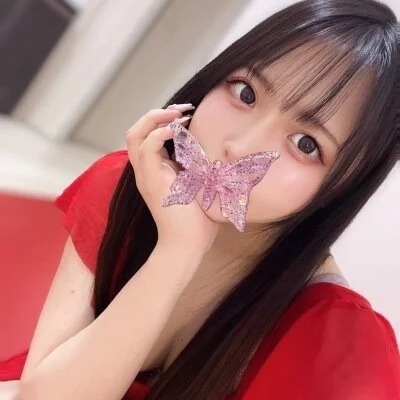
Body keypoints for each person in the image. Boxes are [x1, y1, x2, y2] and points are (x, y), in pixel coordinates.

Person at [3, 0, 399, 399]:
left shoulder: (337, 344)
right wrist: (178, 250)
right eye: (246, 93)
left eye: (306, 144)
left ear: (343, 185)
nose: (239, 147)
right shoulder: (125, 185)